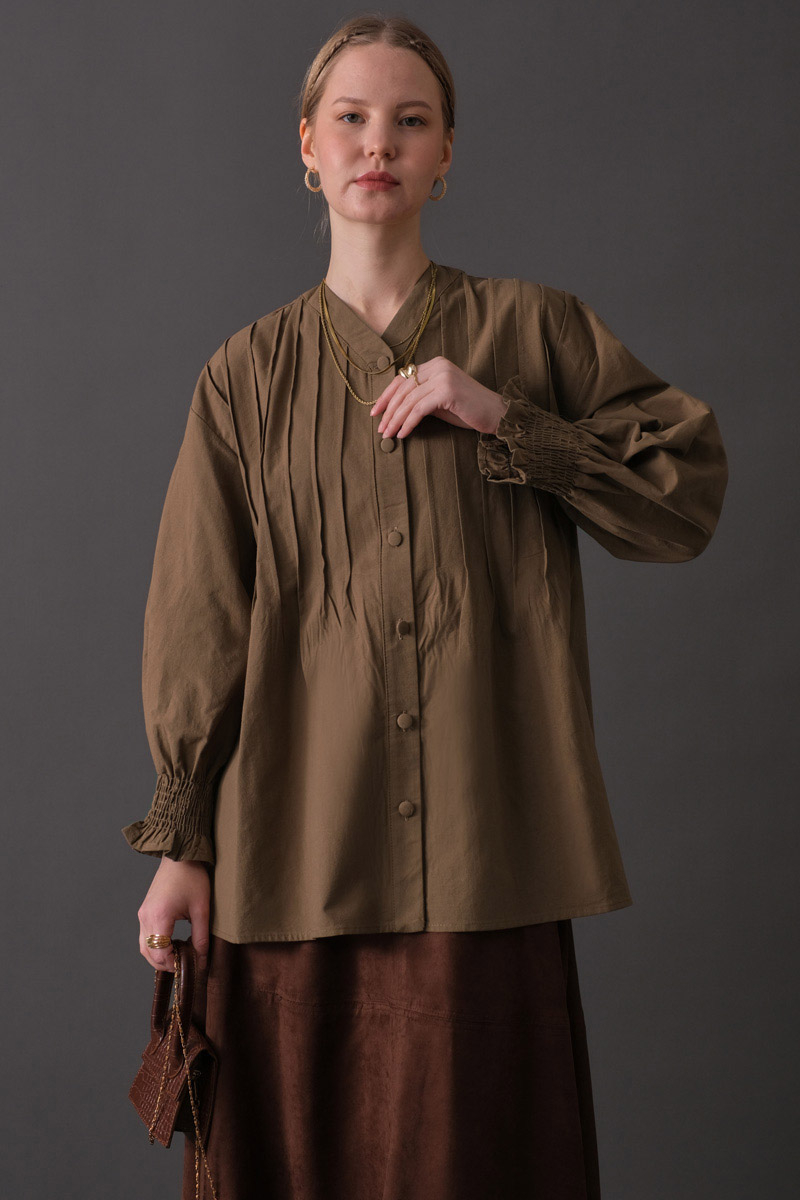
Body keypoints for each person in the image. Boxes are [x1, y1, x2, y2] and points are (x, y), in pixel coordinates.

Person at [122, 13, 729, 1199]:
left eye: (410, 120)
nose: (377, 144)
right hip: (290, 858)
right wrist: (181, 846)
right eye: (349, 118)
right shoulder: (244, 378)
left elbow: (681, 500)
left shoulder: (534, 332)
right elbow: (202, 619)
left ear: (445, 153)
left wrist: (506, 417)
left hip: (486, 861)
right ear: (307, 146)